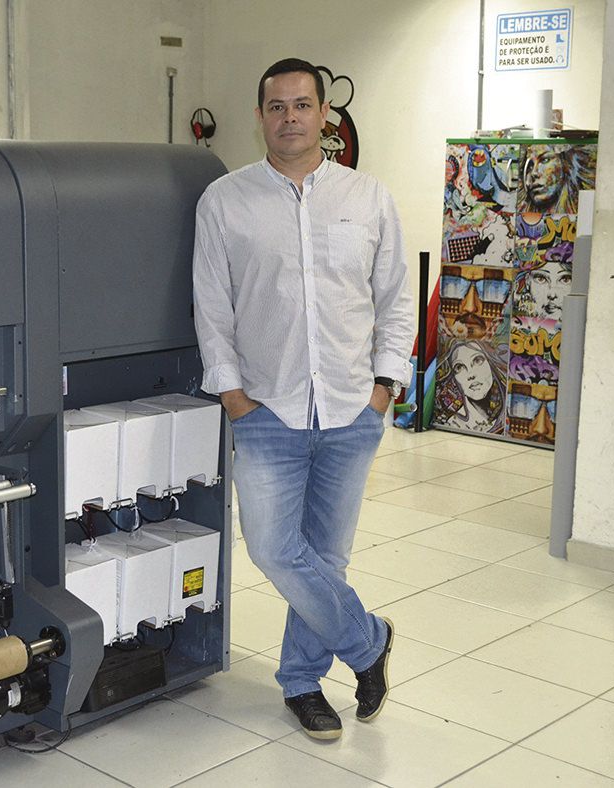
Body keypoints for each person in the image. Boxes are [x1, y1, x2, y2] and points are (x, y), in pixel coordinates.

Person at [192, 58, 414, 740]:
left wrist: (383, 389)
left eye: (301, 104)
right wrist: (232, 396)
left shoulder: (368, 198)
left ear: (324, 114)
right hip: (266, 411)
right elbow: (211, 306)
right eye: (276, 106)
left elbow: (395, 298)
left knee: (326, 556)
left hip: (351, 410)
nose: (289, 117)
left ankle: (300, 682)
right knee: (273, 549)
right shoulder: (225, 200)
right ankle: (369, 642)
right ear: (260, 116)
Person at [437, 340, 505, 434]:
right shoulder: (455, 424)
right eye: (459, 367)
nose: (471, 375)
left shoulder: (511, 406)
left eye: (477, 360)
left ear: (491, 363)